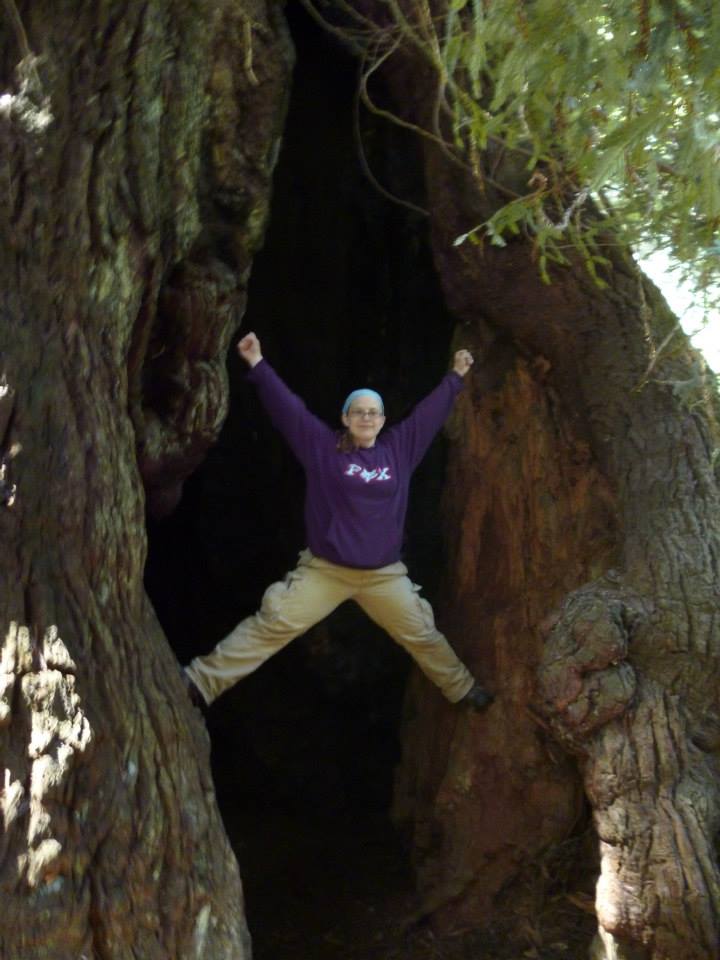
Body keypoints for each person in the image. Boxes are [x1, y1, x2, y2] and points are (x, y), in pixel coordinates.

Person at [183, 332, 493, 712]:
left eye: (373, 412)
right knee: (274, 622)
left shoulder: (399, 449)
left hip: (383, 576)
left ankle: (464, 690)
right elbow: (289, 411)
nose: (366, 417)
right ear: (346, 418)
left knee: (422, 633)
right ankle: (200, 681)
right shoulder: (323, 448)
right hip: (326, 571)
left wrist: (456, 376)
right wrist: (258, 364)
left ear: (382, 420)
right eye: (358, 411)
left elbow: (428, 415)